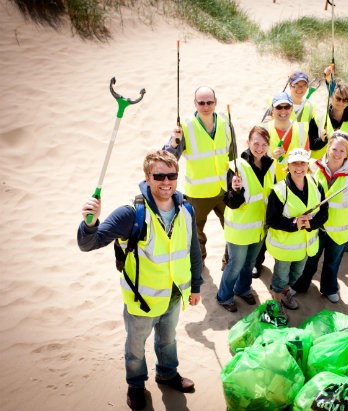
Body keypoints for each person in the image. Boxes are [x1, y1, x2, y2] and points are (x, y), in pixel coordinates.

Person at [77, 150, 202, 410]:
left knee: (168, 340)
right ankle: (136, 385)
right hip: (141, 299)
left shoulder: (186, 209)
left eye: (172, 175)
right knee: (135, 348)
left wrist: (196, 285)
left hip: (174, 294)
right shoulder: (130, 213)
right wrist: (89, 224)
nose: (166, 182)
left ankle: (167, 374)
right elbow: (89, 244)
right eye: (159, 176)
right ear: (147, 177)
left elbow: (193, 251)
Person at [164, 86, 232, 271]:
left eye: (209, 102)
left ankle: (229, 261)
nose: (205, 106)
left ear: (215, 102)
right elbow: (168, 158)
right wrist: (173, 141)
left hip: (224, 189)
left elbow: (231, 154)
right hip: (198, 193)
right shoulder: (185, 126)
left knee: (233, 228)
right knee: (195, 232)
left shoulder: (225, 122)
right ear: (195, 103)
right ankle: (199, 261)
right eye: (201, 102)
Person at [291, 131, 348, 303]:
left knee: (332, 262)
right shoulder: (313, 167)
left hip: (340, 229)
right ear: (328, 148)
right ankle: (300, 285)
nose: (337, 154)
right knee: (311, 259)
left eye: (342, 151)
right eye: (334, 149)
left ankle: (329, 288)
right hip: (317, 225)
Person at [216, 126, 276, 312]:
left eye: (264, 144)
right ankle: (224, 296)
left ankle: (242, 289)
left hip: (259, 227)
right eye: (255, 143)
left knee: (250, 264)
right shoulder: (236, 166)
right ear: (248, 143)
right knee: (235, 265)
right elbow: (231, 203)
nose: (259, 148)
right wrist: (235, 191)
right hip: (240, 228)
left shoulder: (270, 165)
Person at [265, 148, 328, 313]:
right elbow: (271, 220)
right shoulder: (279, 191)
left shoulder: (316, 185)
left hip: (305, 246)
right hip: (284, 247)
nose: (298, 167)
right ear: (288, 165)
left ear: (308, 165)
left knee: (296, 275)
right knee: (281, 277)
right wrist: (294, 223)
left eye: (302, 162)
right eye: (294, 163)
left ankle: (284, 291)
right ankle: (277, 300)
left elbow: (324, 213)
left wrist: (310, 223)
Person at [309, 82, 348, 160]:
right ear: (332, 97)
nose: (341, 102)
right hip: (319, 168)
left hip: (343, 169)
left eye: (345, 100)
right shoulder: (318, 117)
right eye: (338, 98)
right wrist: (321, 141)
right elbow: (311, 146)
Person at [264, 92, 310, 182]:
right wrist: (271, 157)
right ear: (272, 109)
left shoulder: (302, 130)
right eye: (279, 107)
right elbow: (255, 163)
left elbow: (306, 161)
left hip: (295, 184)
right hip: (270, 184)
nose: (283, 111)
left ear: (292, 109)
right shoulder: (263, 130)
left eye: (287, 107)